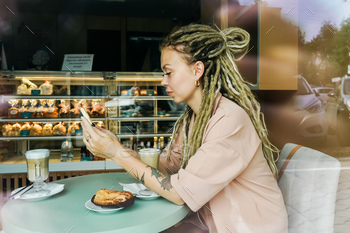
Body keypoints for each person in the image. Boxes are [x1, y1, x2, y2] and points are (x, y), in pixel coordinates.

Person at [81, 24, 288, 233]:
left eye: (168, 72)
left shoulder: (228, 120)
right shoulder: (192, 118)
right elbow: (168, 168)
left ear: (197, 70)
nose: (163, 81)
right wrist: (116, 146)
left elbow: (179, 193)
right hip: (210, 222)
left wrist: (115, 153)